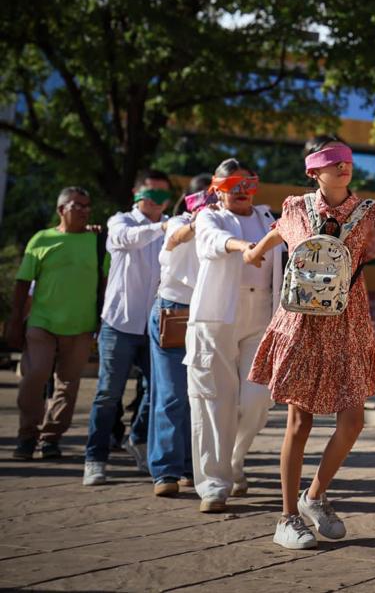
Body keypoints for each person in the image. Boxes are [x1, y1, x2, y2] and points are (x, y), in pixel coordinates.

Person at [245, 136, 375, 551]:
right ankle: (287, 518)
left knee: (353, 421)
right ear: (313, 170)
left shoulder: (371, 212)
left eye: (347, 159)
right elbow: (276, 236)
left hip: (349, 325)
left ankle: (314, 496)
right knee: (298, 423)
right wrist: (253, 252)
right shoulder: (294, 207)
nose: (343, 166)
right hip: (302, 324)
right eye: (332, 160)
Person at [185, 158, 281, 513]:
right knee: (213, 402)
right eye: (232, 185)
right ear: (216, 189)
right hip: (215, 319)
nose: (242, 191)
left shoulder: (269, 219)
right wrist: (245, 248)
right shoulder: (210, 216)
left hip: (261, 320)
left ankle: (235, 459)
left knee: (257, 400)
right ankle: (213, 484)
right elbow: (211, 241)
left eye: (248, 184)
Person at [84, 169, 172, 486]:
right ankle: (95, 458)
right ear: (136, 193)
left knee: (157, 391)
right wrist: (162, 226)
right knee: (109, 393)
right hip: (119, 323)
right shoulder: (120, 221)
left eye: (164, 195)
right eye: (151, 193)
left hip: (155, 326)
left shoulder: (169, 228)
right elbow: (126, 240)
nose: (158, 201)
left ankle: (138, 439)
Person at [11, 187, 108, 461]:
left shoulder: (98, 243)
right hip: (42, 323)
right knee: (34, 377)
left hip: (81, 326)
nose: (84, 210)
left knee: (68, 385)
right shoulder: (42, 239)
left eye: (87, 206)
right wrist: (16, 320)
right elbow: (22, 283)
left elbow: (105, 285)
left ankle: (51, 438)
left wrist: (102, 321)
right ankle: (26, 435)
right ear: (61, 210)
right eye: (77, 206)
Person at [147, 174, 213, 496]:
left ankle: (190, 466)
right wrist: (200, 221)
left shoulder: (224, 224)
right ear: (190, 199)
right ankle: (165, 472)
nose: (211, 198)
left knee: (198, 397)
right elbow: (175, 238)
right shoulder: (177, 221)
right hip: (173, 311)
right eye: (205, 194)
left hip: (207, 314)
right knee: (172, 395)